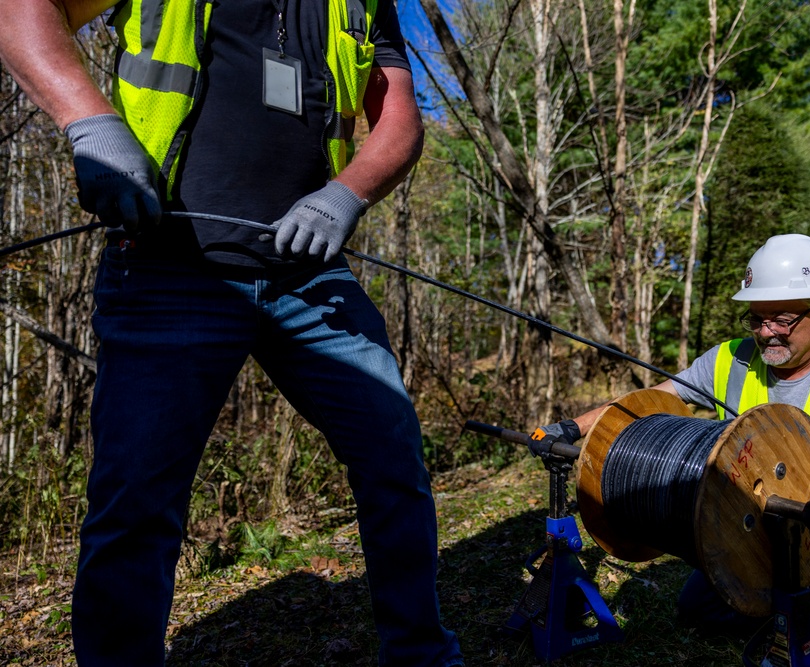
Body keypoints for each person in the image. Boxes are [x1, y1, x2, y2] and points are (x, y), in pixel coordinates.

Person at [0, 2, 463, 666]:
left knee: (394, 454)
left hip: (311, 273)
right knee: (136, 502)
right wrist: (92, 123)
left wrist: (348, 193)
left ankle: (422, 655)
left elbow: (399, 113)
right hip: (167, 263)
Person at [533, 234, 810, 667]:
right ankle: (796, 607)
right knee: (700, 611)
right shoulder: (730, 358)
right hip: (756, 515)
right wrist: (573, 427)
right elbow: (645, 402)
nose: (765, 333)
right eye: (755, 320)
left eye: (780, 319)